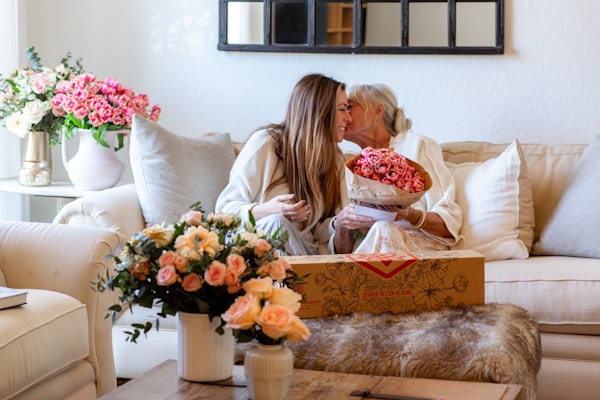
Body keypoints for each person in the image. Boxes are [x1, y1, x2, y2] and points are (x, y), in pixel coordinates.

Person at [215, 73, 352, 255]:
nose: (348, 118)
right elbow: (223, 212)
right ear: (319, 111)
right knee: (277, 222)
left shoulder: (334, 159)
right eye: (342, 109)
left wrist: (338, 222)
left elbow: (321, 232)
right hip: (264, 251)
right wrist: (267, 210)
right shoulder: (266, 144)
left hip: (307, 254)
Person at [332, 83, 462, 254]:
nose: (344, 117)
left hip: (417, 249)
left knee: (384, 229)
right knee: (379, 231)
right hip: (365, 256)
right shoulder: (348, 165)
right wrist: (341, 225)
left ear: (378, 111)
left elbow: (449, 223)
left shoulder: (417, 146)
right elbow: (342, 253)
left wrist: (409, 214)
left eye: (349, 107)